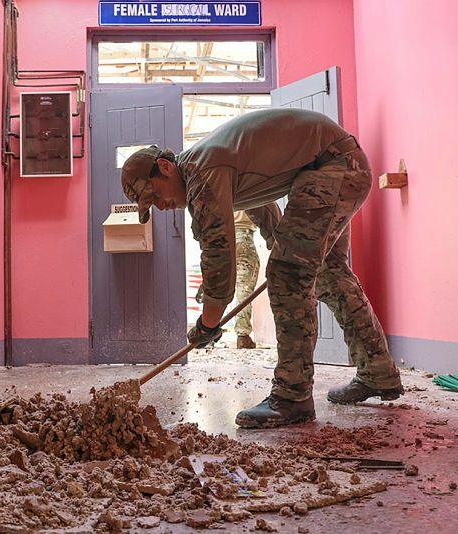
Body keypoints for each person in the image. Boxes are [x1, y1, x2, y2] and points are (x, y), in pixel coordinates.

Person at [120, 108, 403, 428]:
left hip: (332, 166)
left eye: (155, 194)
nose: (159, 205)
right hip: (338, 166)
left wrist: (208, 324)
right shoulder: (208, 166)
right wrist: (276, 240)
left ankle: (292, 395)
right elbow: (258, 198)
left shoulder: (200, 173)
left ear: (165, 167)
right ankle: (378, 371)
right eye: (150, 205)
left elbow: (219, 254)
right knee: (330, 275)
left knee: (287, 275)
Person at [194, 206, 282, 349]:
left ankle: (207, 331)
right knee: (244, 289)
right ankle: (243, 336)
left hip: (221, 239)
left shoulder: (222, 193)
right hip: (244, 238)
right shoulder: (249, 191)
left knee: (215, 286)